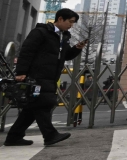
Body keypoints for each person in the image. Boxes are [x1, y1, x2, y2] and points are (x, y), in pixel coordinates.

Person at [3, 8, 85, 147]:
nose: (71, 25)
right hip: (37, 75)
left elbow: (66, 56)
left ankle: (14, 136)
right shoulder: (41, 32)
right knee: (43, 104)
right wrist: (21, 72)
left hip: (50, 76)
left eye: (73, 23)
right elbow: (27, 51)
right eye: (70, 22)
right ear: (60, 19)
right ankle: (50, 135)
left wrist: (77, 48)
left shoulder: (63, 37)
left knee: (32, 109)